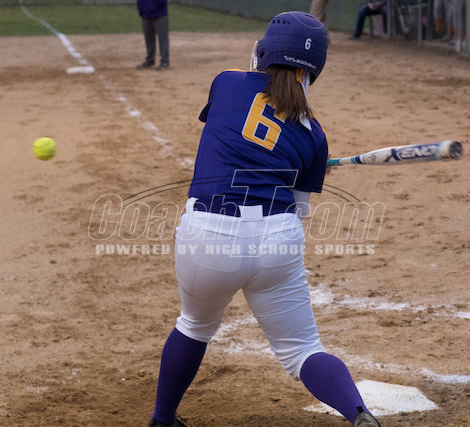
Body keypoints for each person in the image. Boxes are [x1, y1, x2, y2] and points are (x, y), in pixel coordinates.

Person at [146, 11, 381, 427]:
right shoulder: (315, 136)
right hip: (276, 241)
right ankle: (359, 414)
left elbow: (240, 128)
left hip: (210, 234)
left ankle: (163, 419)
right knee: (304, 350)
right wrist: (306, 168)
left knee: (195, 326)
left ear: (264, 51)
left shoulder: (226, 82)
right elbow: (299, 208)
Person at [136, 0, 169, 70]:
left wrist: (155, 6)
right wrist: (141, 9)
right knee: (149, 39)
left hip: (159, 14)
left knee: (162, 38)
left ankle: (165, 61)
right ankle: (150, 60)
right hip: (146, 15)